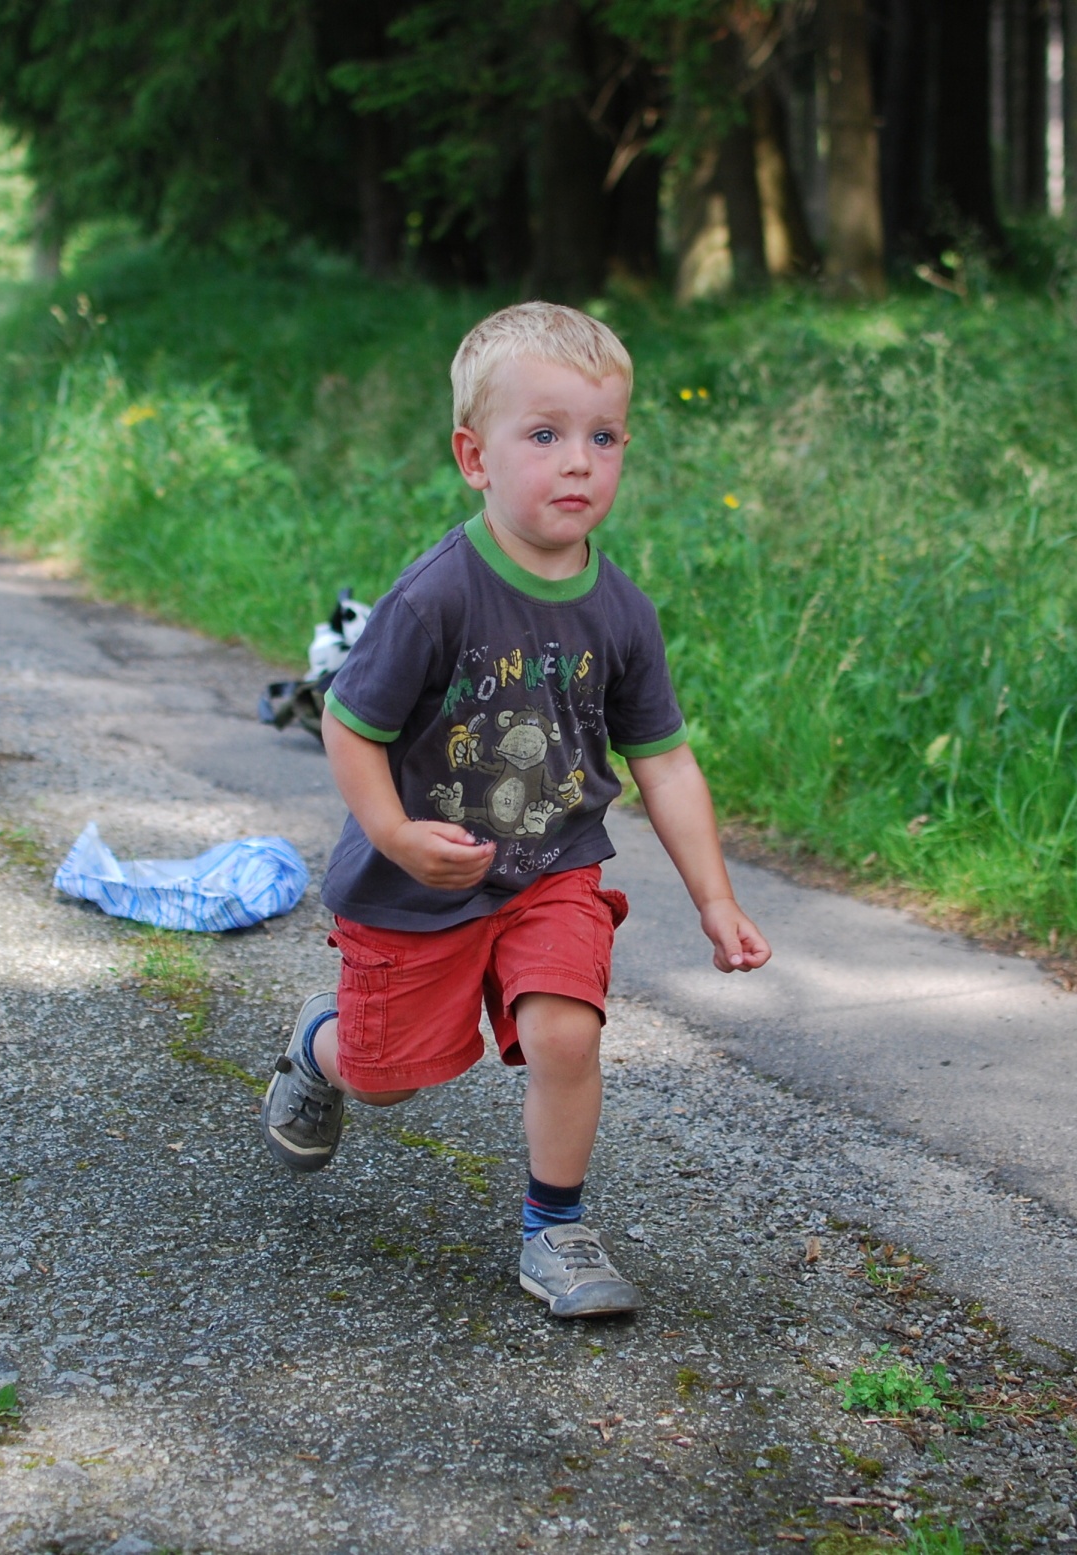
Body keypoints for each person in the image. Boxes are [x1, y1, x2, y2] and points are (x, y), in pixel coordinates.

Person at [260, 301, 771, 1317]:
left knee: (566, 1032)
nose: (578, 461)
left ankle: (556, 1229)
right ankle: (321, 1043)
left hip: (552, 871)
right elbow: (348, 726)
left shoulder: (621, 612)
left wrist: (715, 900)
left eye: (602, 436)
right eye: (543, 435)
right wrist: (396, 834)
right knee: (387, 1076)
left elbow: (665, 762)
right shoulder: (434, 596)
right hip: (420, 883)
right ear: (474, 457)